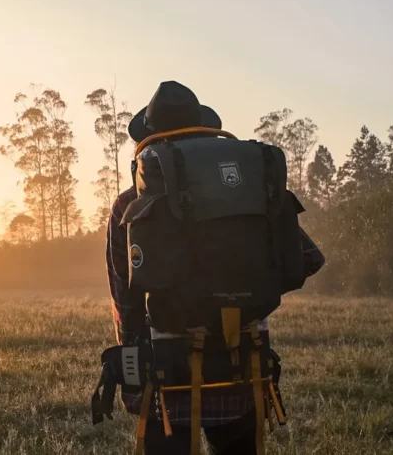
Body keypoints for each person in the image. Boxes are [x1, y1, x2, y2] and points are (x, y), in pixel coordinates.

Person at [105, 81, 325, 455]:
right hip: (243, 361)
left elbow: (125, 298)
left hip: (167, 371)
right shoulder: (249, 191)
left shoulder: (129, 204)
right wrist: (246, 289)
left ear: (150, 139)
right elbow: (308, 258)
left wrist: (132, 367)